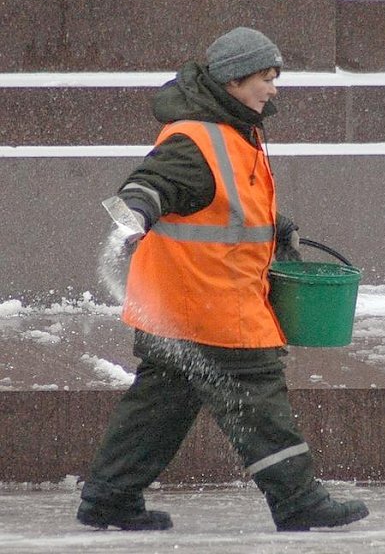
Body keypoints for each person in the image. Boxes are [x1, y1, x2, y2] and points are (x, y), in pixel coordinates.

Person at [77, 27, 369, 532]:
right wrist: (134, 215)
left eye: (275, 77)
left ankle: (109, 499)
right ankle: (299, 502)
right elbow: (151, 183)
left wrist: (278, 228)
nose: (273, 88)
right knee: (260, 405)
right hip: (212, 309)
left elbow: (226, 205)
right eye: (265, 77)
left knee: (159, 409)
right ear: (233, 80)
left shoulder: (235, 129)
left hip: (177, 309)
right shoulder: (195, 140)